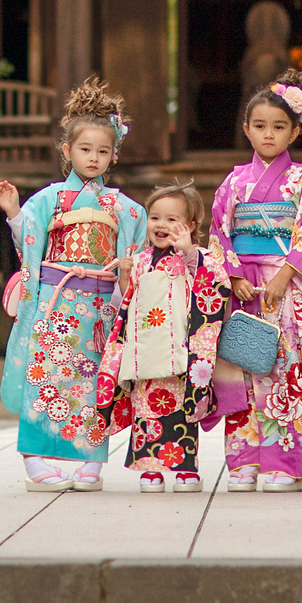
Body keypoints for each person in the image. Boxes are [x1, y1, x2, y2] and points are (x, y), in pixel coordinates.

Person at [0, 78, 147, 491]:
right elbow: (30, 242)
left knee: (95, 384)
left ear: (114, 155)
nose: (93, 158)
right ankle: (36, 461)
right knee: (45, 378)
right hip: (53, 304)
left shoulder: (125, 208)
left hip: (99, 309)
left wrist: (131, 270)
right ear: (67, 151)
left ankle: (90, 464)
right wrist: (13, 213)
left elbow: (137, 256)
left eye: (102, 151)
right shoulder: (47, 200)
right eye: (85, 149)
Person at [210, 67, 302, 492]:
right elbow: (219, 232)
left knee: (282, 370)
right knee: (241, 369)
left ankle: (284, 464)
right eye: (260, 126)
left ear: (294, 132)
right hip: (244, 288)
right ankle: (243, 461)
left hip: (286, 290)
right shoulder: (233, 183)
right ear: (246, 130)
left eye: (279, 126)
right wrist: (232, 275)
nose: (268, 134)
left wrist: (286, 273)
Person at [97, 182, 229, 492]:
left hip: (183, 347)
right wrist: (127, 278)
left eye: (172, 219)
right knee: (146, 407)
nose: (162, 225)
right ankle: (150, 468)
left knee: (183, 409)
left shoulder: (197, 258)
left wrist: (189, 254)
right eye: (155, 217)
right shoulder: (141, 260)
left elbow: (216, 286)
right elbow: (126, 303)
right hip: (146, 348)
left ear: (191, 225)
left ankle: (185, 467)